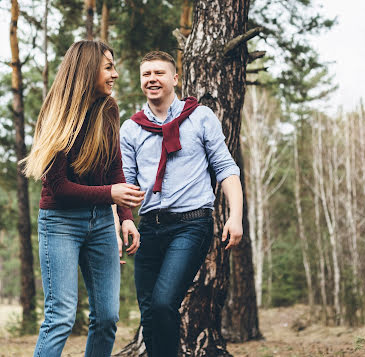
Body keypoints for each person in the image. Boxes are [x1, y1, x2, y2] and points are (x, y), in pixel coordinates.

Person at [21, 40, 144, 357]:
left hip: (101, 224)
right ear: (88, 70)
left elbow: (115, 168)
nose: (114, 74)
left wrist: (126, 217)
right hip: (60, 224)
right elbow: (59, 188)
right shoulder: (57, 115)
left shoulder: (108, 109)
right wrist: (111, 194)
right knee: (60, 317)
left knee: (106, 317)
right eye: (108, 67)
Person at [119, 51, 244, 357]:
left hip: (190, 224)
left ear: (174, 78)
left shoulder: (200, 117)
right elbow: (125, 186)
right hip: (148, 227)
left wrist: (236, 216)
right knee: (149, 312)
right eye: (146, 74)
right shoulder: (131, 128)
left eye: (159, 73)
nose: (152, 79)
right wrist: (124, 222)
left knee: (163, 302)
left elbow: (226, 168)